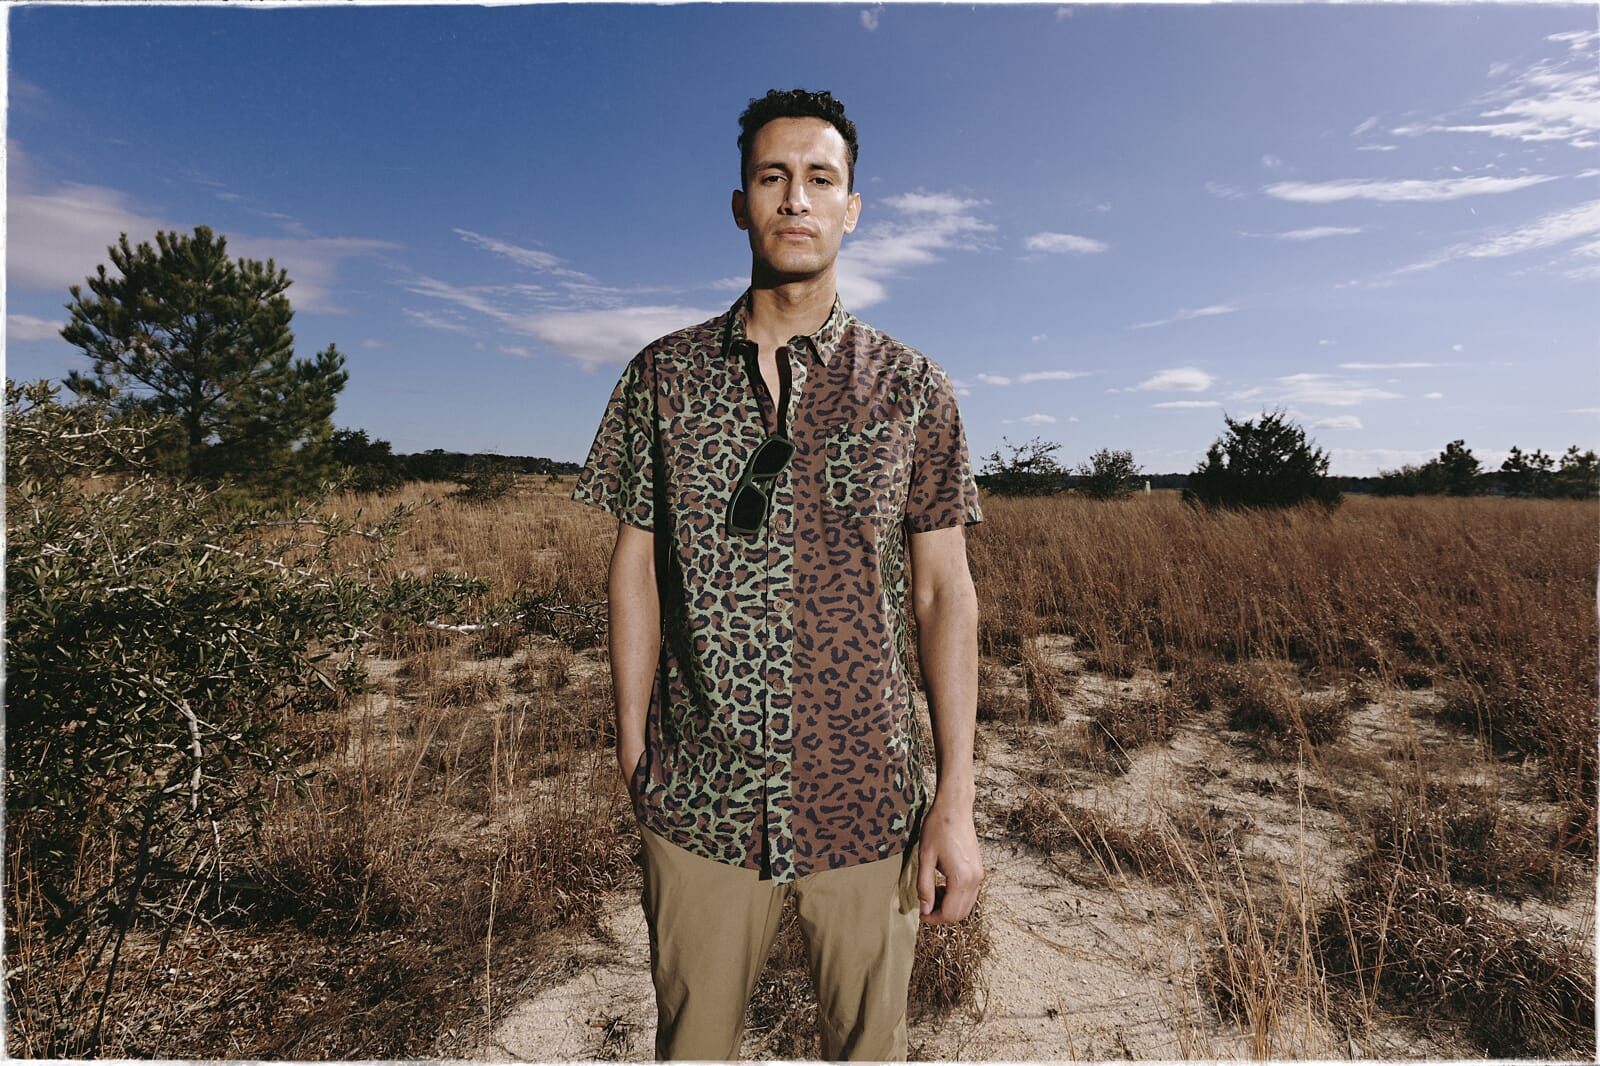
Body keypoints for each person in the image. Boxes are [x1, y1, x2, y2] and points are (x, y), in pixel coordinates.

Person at [573, 87, 984, 1061]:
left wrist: (955, 798)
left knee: (868, 1049)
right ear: (740, 204)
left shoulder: (912, 388)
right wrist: (634, 749)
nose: (796, 198)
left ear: (851, 207)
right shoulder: (662, 376)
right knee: (694, 1047)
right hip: (698, 800)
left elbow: (944, 593)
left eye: (820, 178)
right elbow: (634, 568)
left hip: (869, 803)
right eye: (772, 177)